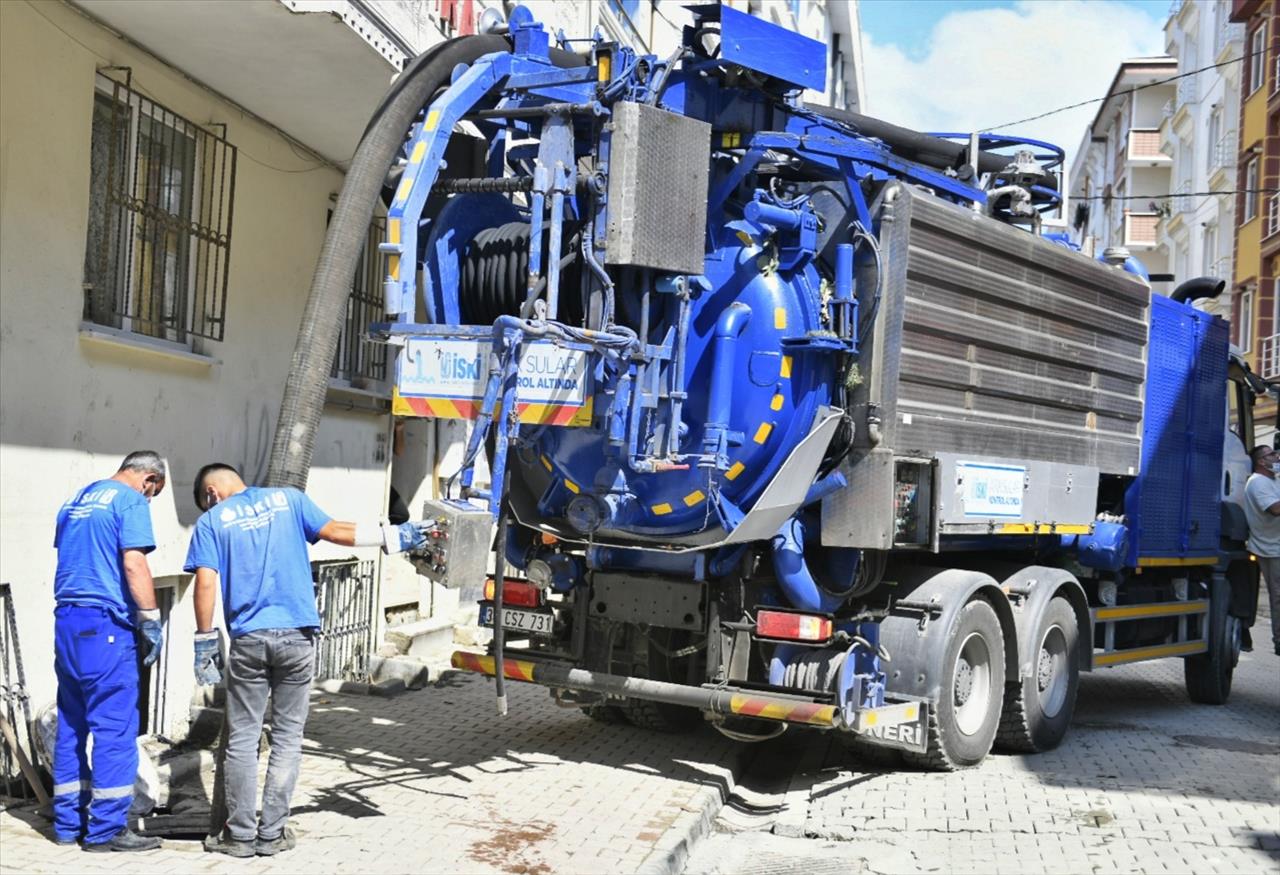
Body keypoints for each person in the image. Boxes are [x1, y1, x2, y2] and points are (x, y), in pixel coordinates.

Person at [184, 463, 427, 857]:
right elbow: (338, 532)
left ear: (211, 494)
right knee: (287, 738)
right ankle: (273, 834)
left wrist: (204, 637)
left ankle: (240, 836)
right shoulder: (288, 499)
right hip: (298, 637)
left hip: (249, 640)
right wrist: (395, 536)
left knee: (243, 740)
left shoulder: (213, 521)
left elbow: (206, 580)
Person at [51, 451, 167, 852]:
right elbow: (133, 564)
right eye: (154, 492)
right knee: (114, 728)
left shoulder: (76, 500)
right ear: (149, 479)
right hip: (104, 626)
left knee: (71, 723)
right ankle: (105, 831)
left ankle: (67, 825)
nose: (149, 499)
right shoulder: (129, 500)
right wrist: (150, 618)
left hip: (66, 620)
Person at [1243, 445, 1280, 656]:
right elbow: (1275, 509)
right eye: (1272, 454)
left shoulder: (1274, 480)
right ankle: (1279, 640)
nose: (1276, 456)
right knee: (1278, 596)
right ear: (1261, 462)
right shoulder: (1257, 483)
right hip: (1270, 549)